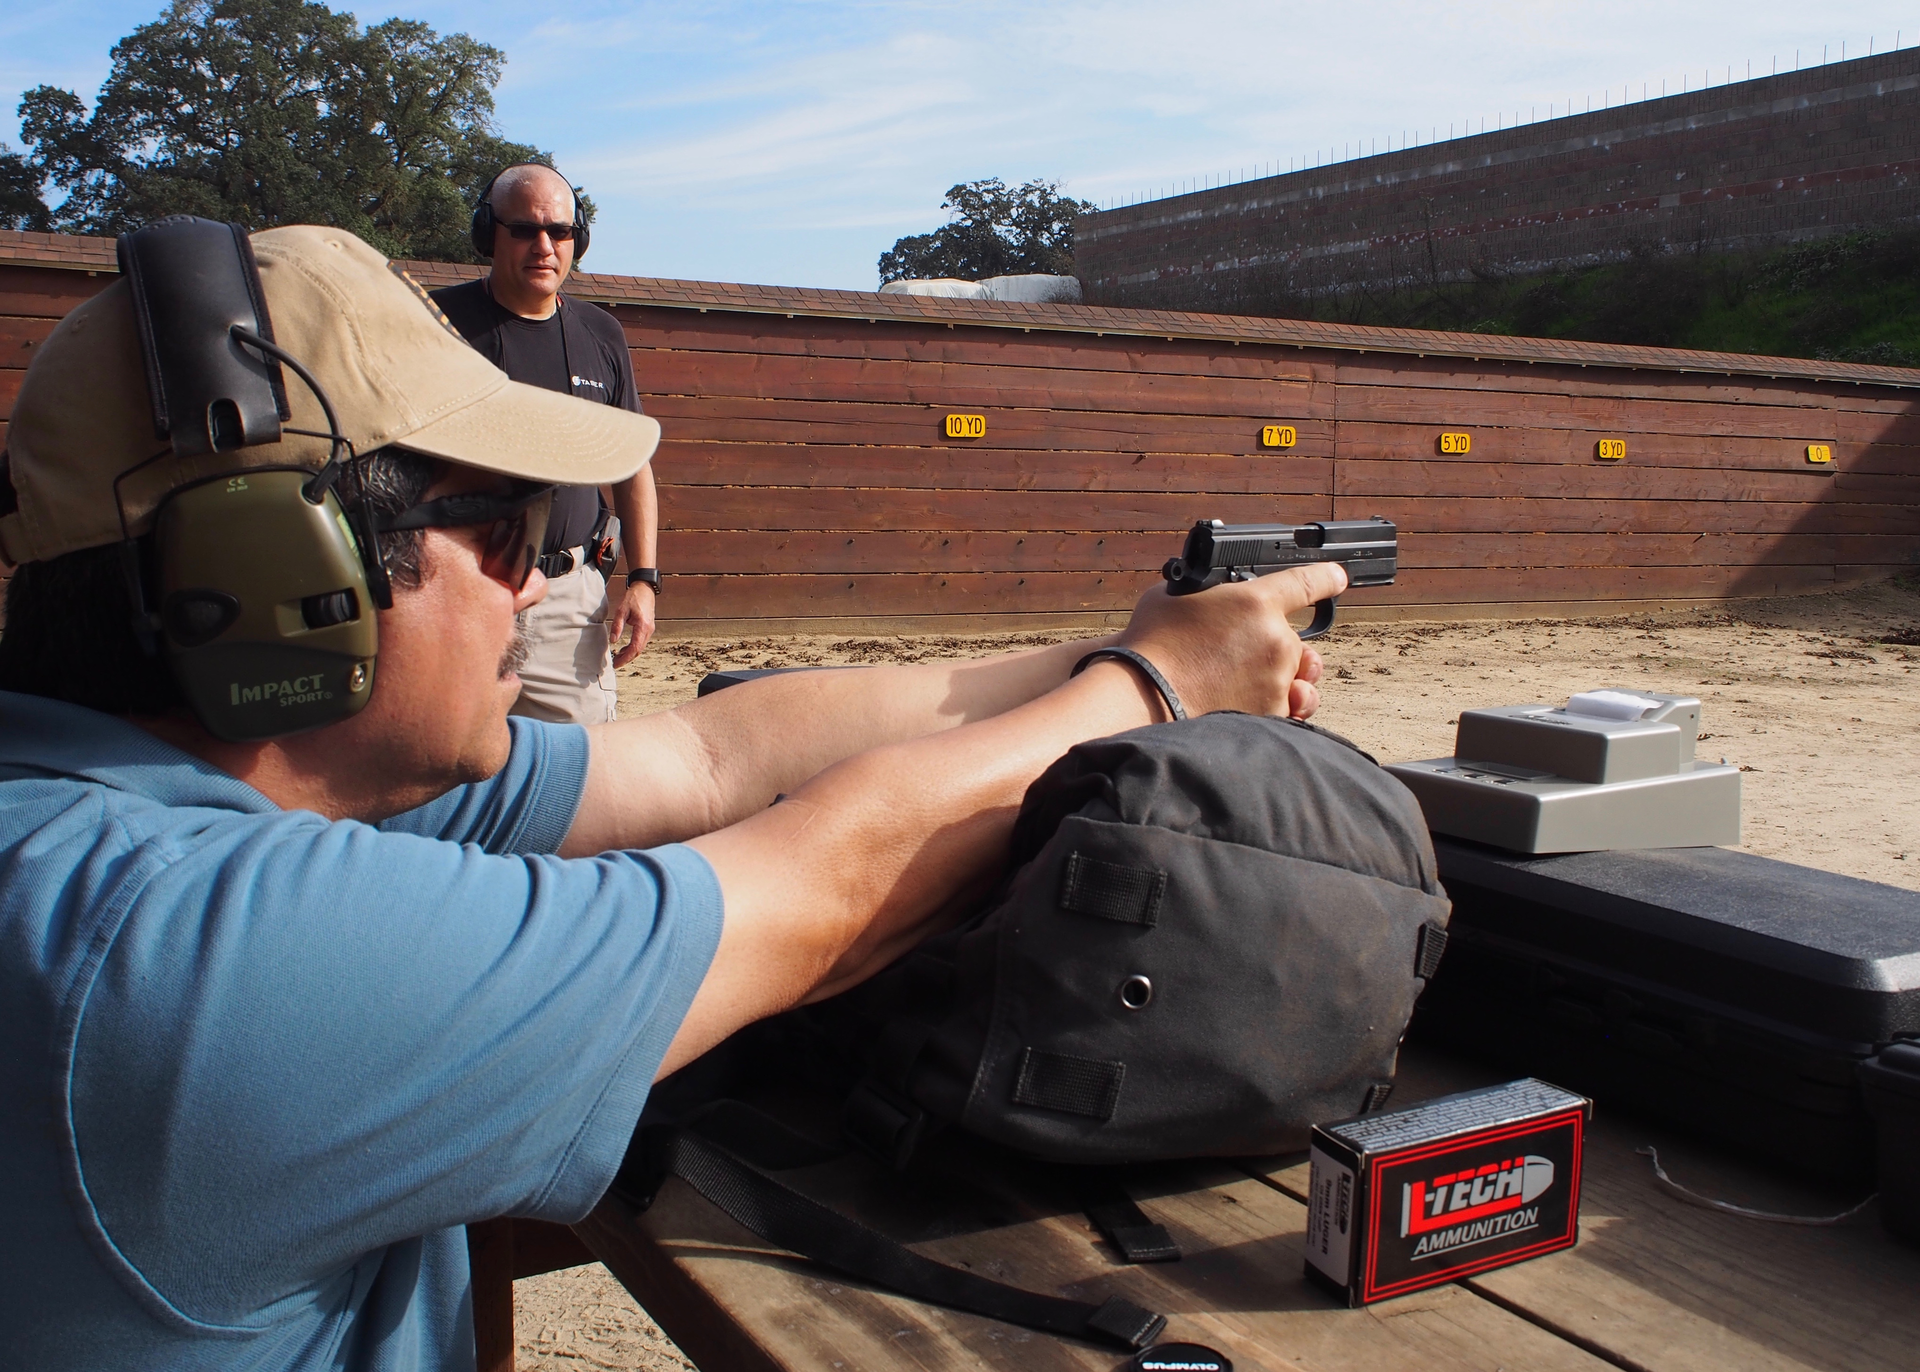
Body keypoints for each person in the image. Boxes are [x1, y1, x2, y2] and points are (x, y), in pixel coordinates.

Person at [0, 222, 1338, 1372]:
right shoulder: (183, 956)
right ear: (287, 587)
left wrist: (1140, 648)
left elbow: (713, 760)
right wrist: (1153, 694)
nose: (537, 583)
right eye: (507, 535)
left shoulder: (152, 805)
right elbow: (821, 898)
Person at [431, 162, 659, 724]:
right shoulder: (434, 324)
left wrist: (644, 580)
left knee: (584, 786)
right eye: (524, 229)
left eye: (559, 231)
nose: (544, 245)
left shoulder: (600, 333)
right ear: (489, 234)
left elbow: (633, 466)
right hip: (460, 598)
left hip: (568, 603)